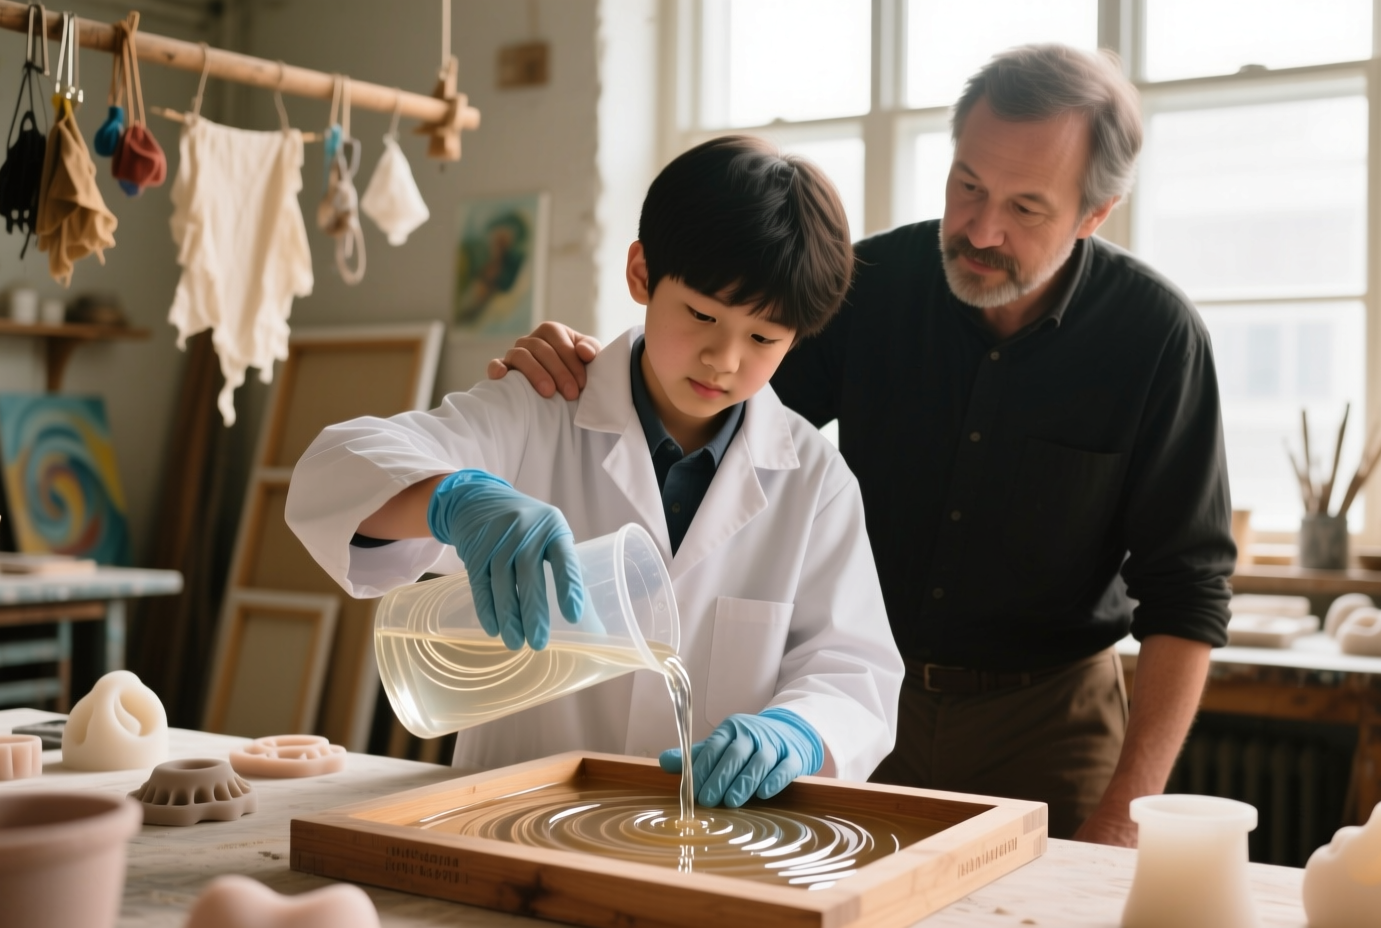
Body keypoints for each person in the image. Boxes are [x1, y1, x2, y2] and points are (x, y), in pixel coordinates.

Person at [485, 44, 1233, 845]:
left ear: (1094, 214)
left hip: (1046, 718)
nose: (982, 228)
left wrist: (1126, 813)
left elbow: (1187, 592)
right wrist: (599, 370)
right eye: (968, 186)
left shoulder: (1156, 338)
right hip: (857, 705)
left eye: (1026, 208)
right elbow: (719, 400)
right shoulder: (865, 285)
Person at [286, 136, 903, 807]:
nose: (724, 359)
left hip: (703, 846)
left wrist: (798, 731)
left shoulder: (814, 481)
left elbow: (854, 670)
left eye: (763, 338)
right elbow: (332, 470)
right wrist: (454, 498)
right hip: (511, 827)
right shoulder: (538, 408)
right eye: (701, 315)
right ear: (641, 273)